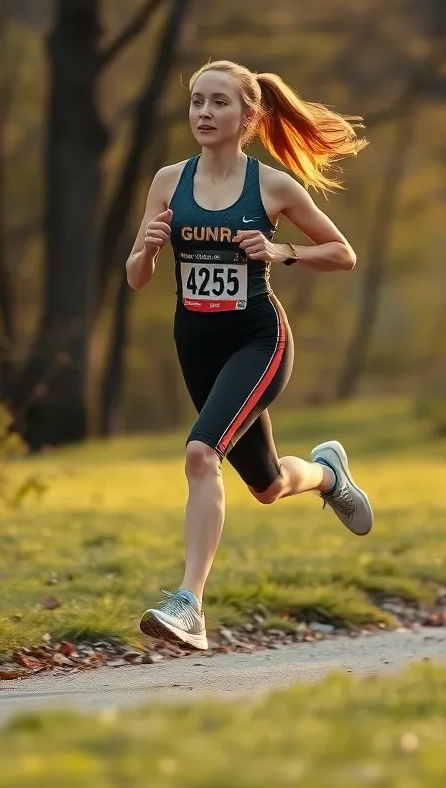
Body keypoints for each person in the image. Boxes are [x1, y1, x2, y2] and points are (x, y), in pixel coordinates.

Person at [125, 59, 374, 651]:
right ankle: (326, 473)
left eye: (218, 103)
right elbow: (136, 278)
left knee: (198, 454)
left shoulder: (273, 186)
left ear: (248, 116)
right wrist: (149, 250)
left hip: (258, 341)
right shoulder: (167, 181)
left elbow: (343, 253)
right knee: (265, 485)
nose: (204, 113)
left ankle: (189, 605)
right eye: (196, 102)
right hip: (196, 343)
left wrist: (281, 251)